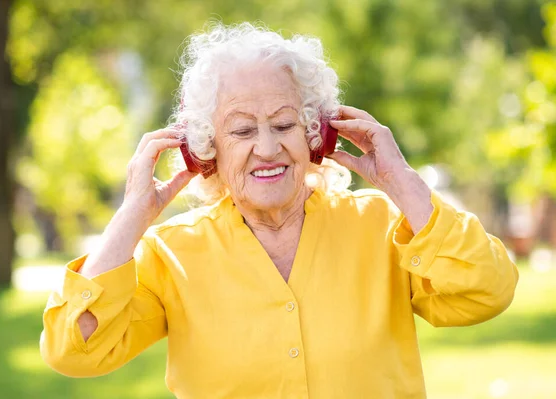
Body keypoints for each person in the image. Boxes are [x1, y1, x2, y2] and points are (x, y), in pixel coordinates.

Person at [40, 22, 519, 398]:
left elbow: (487, 289)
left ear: (317, 134)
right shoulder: (171, 254)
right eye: (243, 131)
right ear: (207, 150)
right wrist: (133, 215)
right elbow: (75, 349)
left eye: (285, 124)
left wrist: (402, 183)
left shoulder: (382, 225)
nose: (267, 148)